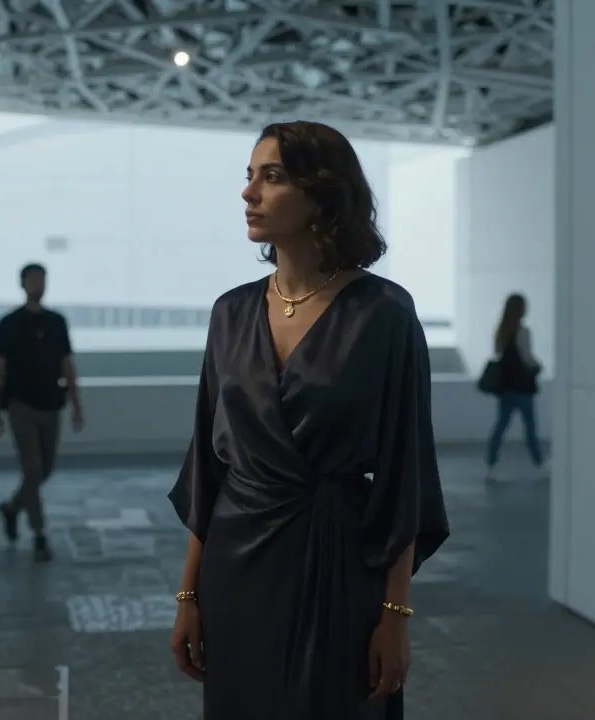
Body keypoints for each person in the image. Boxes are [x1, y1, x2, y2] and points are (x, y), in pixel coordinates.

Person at [167, 121, 450, 719]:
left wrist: (394, 616)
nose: (249, 193)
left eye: (272, 177)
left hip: (338, 565)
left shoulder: (384, 314)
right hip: (236, 568)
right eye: (249, 177)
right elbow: (206, 471)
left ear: (323, 194)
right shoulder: (230, 313)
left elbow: (406, 474)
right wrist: (189, 596)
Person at [0, 263, 85, 560]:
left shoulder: (57, 322)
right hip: (20, 405)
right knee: (32, 469)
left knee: (45, 469)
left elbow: (67, 364)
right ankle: (40, 534)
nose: (38, 285)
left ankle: (11, 507)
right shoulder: (9, 324)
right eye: (32, 280)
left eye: (42, 280)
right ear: (23, 284)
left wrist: (76, 405)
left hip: (51, 404)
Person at [484, 293, 547, 482]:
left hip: (506, 388)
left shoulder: (501, 331)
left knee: (500, 426)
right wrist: (538, 366)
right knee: (530, 428)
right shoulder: (524, 332)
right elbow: (527, 358)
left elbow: (500, 355)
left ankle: (491, 465)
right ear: (520, 309)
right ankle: (540, 464)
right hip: (523, 388)